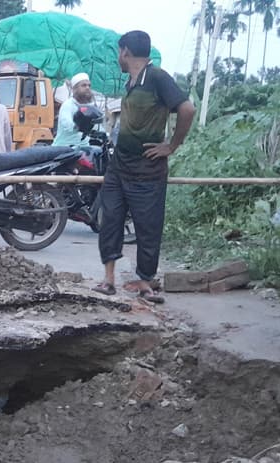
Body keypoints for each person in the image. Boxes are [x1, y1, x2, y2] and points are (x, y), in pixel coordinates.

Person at [93, 31, 195, 304]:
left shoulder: (157, 77)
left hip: (147, 170)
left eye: (119, 52)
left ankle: (146, 283)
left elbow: (187, 109)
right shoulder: (132, 81)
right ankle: (108, 280)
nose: (118, 57)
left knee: (148, 227)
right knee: (110, 219)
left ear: (125, 51)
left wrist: (171, 146)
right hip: (119, 166)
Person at [53, 72, 94, 147]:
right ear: (75, 89)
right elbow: (67, 124)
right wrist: (79, 127)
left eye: (89, 85)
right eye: (83, 85)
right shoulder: (68, 105)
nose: (87, 88)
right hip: (65, 148)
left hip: (84, 147)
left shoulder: (90, 105)